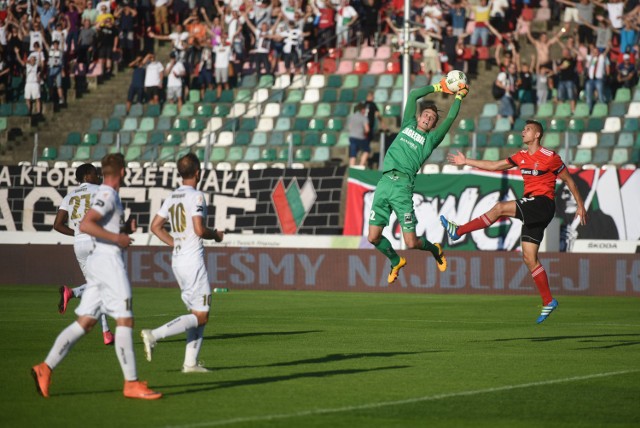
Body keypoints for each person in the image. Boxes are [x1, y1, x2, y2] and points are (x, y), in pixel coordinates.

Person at [32, 154, 162, 400]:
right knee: (125, 320)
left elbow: (93, 225)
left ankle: (45, 367)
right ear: (122, 171)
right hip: (108, 263)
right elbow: (87, 225)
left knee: (85, 323)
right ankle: (131, 384)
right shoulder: (107, 193)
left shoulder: (100, 194)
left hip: (96, 261)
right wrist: (118, 239)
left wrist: (123, 230)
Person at [440, 120, 587, 324]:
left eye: (527, 130)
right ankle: (548, 300)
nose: (522, 132)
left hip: (543, 203)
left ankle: (459, 231)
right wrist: (467, 161)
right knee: (529, 257)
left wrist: (580, 205)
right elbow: (494, 165)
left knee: (500, 208)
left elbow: (570, 180)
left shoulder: (550, 157)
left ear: (537, 135)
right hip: (534, 208)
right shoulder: (521, 156)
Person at [368, 79, 469, 283]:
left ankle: (435, 250)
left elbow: (450, 118)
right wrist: (438, 87)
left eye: (431, 118)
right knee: (373, 237)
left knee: (411, 242)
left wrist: (458, 97)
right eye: (426, 115)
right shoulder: (408, 124)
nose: (428, 118)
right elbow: (414, 94)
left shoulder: (431, 140)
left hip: (402, 187)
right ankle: (395, 261)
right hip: (384, 182)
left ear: (432, 125)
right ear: (420, 116)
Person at [144, 153, 224, 373]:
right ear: (198, 172)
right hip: (192, 261)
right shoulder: (196, 196)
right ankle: (155, 335)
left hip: (178, 259)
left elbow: (155, 226)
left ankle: (190, 363)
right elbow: (199, 229)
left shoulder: (173, 196)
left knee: (197, 314)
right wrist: (215, 234)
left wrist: (175, 243)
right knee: (202, 314)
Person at [54, 163, 114, 346]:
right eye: (96, 174)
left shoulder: (69, 196)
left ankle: (106, 333)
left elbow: (57, 224)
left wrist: (78, 233)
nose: (99, 176)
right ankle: (72, 292)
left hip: (79, 243)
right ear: (87, 175)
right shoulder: (101, 190)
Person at [348, 103, 370, 167]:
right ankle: (361, 165)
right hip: (360, 137)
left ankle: (351, 167)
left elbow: (349, 128)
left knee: (352, 153)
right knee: (367, 150)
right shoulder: (363, 118)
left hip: (352, 137)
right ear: (362, 110)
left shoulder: (351, 117)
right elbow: (367, 130)